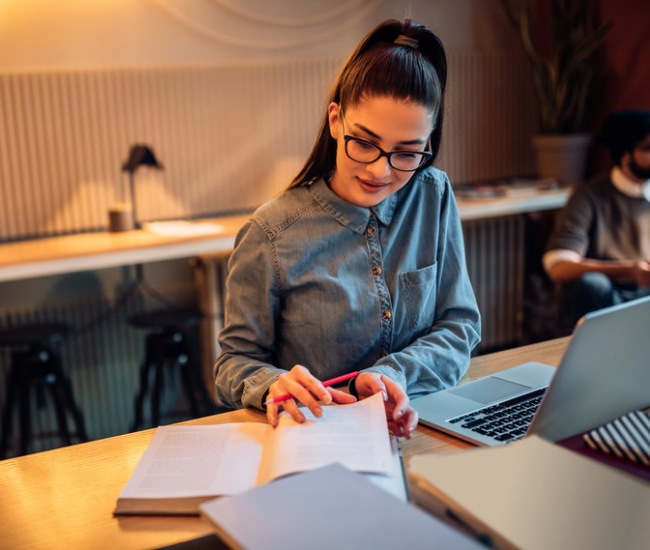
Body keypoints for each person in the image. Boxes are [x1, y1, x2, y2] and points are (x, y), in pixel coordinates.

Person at [213, 19, 482, 437]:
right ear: (336, 120)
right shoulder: (270, 234)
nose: (380, 170)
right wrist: (271, 386)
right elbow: (233, 364)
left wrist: (391, 375)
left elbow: (459, 325)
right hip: (315, 438)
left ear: (427, 145)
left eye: (407, 153)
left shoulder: (434, 194)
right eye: (365, 142)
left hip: (424, 423)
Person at [543, 109, 650, 329]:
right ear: (624, 154)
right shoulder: (589, 196)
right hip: (611, 300)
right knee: (592, 285)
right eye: (648, 149)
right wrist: (630, 270)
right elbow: (559, 267)